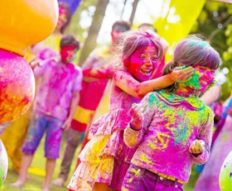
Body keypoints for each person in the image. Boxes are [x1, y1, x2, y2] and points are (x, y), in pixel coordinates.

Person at [68, 31, 193, 191]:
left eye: (154, 58)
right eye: (142, 57)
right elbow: (137, 89)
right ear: (126, 58)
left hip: (135, 144)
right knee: (102, 182)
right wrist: (170, 78)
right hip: (113, 144)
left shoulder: (153, 87)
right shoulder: (120, 75)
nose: (149, 63)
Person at [121, 36, 221, 191]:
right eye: (202, 69)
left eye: (212, 72)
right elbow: (130, 141)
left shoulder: (205, 114)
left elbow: (204, 156)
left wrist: (199, 149)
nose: (208, 76)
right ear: (181, 68)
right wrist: (135, 125)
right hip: (139, 175)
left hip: (173, 184)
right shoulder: (155, 99)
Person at [53, 21, 131, 188]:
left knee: (91, 146)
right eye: (116, 31)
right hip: (85, 103)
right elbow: (81, 74)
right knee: (73, 140)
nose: (118, 36)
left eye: (122, 34)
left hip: (104, 110)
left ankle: (80, 182)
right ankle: (63, 175)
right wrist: (101, 74)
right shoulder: (98, 52)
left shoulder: (124, 61)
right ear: (111, 32)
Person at [12, 35, 82, 191]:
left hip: (58, 117)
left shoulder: (76, 72)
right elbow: (33, 71)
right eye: (68, 50)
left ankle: (46, 186)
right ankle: (21, 180)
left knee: (52, 153)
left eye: (74, 51)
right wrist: (32, 65)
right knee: (29, 146)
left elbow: (76, 95)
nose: (71, 54)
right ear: (61, 49)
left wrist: (70, 117)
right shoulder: (49, 64)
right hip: (40, 112)